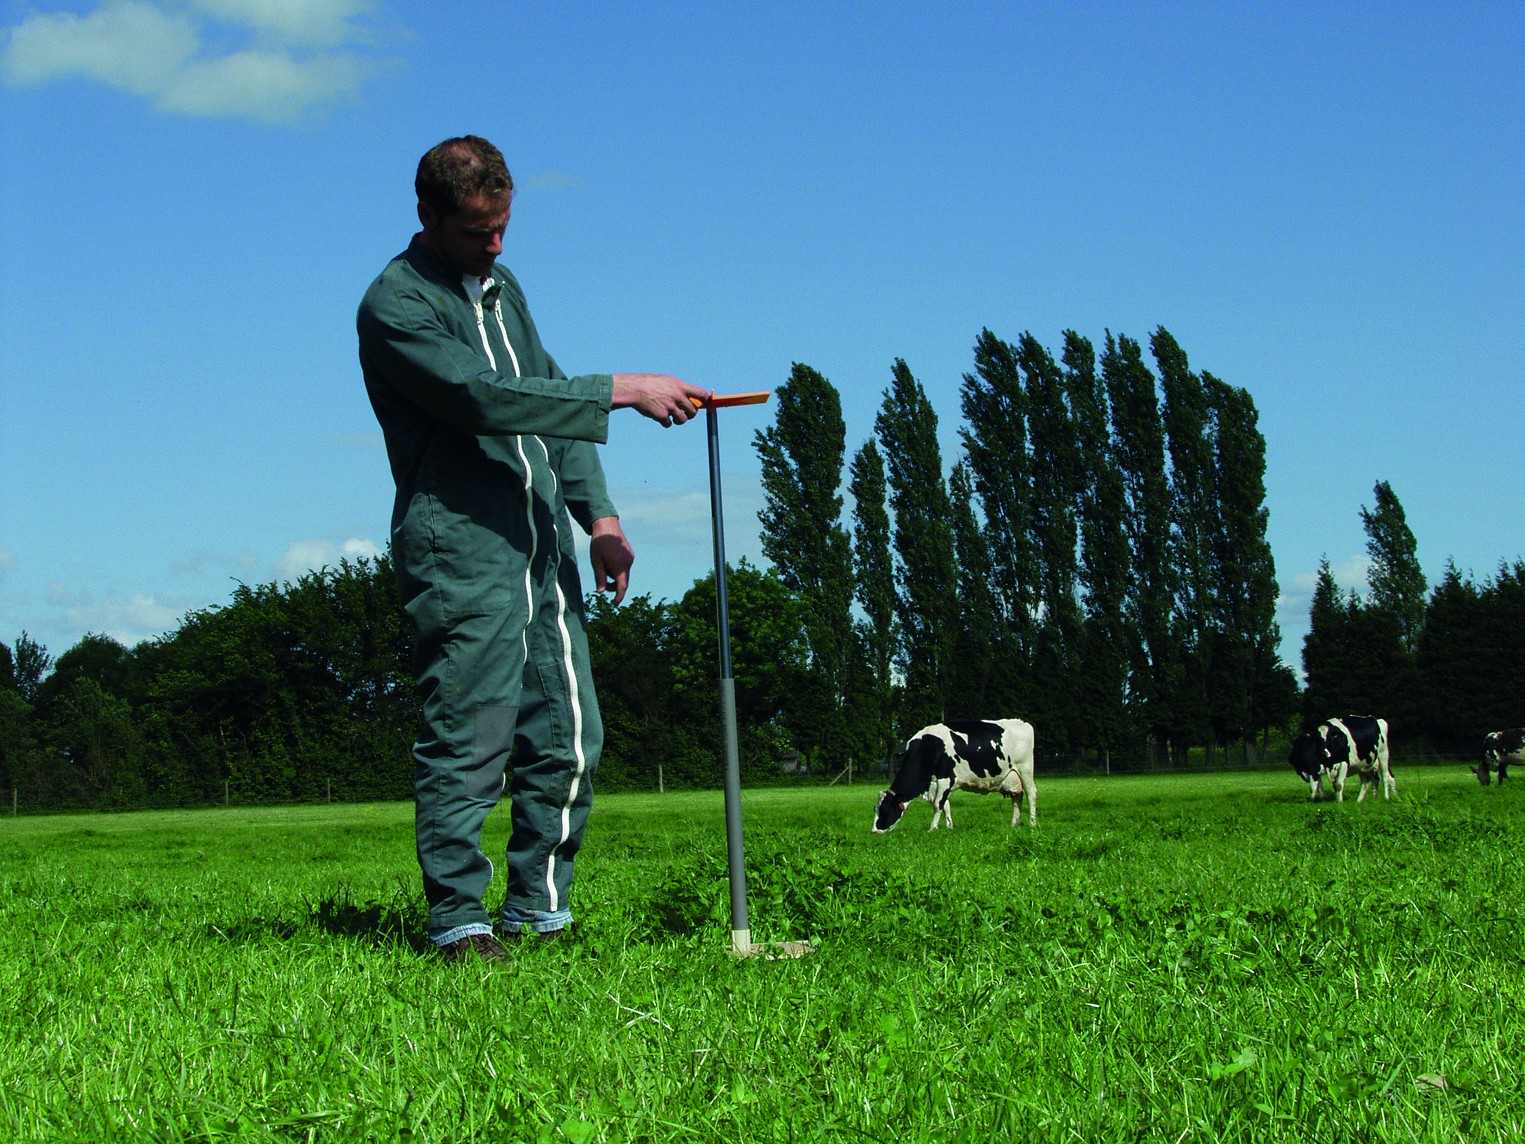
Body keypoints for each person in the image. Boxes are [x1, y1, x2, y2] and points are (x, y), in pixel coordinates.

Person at [357, 135, 708, 963]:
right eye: (480, 230)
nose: (497, 244)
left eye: (505, 225)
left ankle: (539, 914)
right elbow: (484, 396)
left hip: (543, 543)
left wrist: (603, 521)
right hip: (462, 548)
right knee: (472, 735)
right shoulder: (395, 305)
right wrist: (621, 390)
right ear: (428, 215)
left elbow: (542, 387)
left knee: (570, 733)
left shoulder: (504, 288)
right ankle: (458, 922)